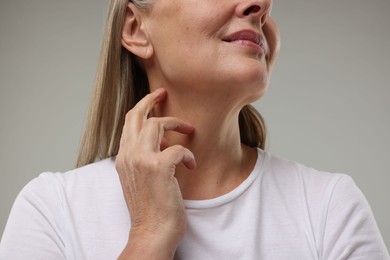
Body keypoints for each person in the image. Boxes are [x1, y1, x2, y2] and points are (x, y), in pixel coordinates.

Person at [0, 0, 389, 259]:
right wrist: (150, 234)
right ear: (136, 28)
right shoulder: (51, 210)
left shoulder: (329, 206)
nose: (261, 4)